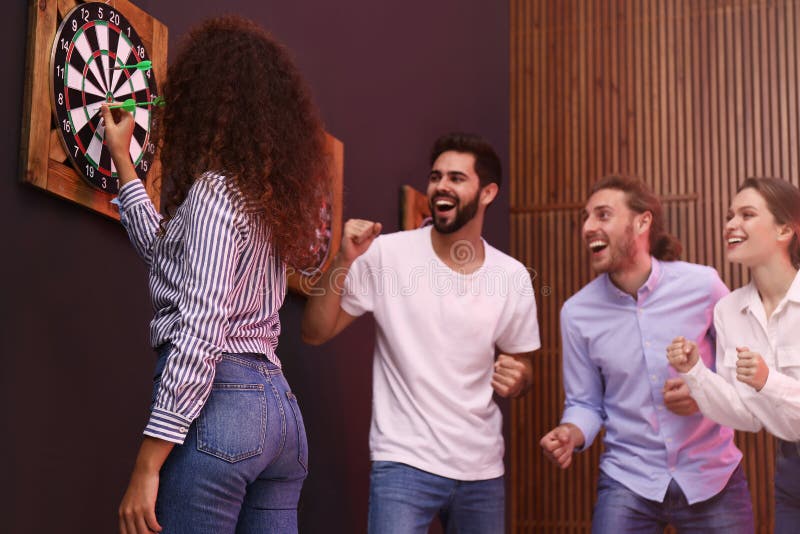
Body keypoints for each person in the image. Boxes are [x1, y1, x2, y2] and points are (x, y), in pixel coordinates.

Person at [100, 15, 328, 534]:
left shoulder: (213, 193)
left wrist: (147, 463)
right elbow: (169, 260)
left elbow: (202, 328)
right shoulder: (267, 204)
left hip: (224, 407)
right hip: (280, 415)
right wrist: (125, 164)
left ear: (203, 103)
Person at [301, 132, 540, 533]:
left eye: (457, 178)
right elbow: (314, 331)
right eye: (436, 176)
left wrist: (520, 379)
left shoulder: (511, 276)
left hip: (481, 469)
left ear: (487, 193)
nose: (442, 185)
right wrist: (343, 258)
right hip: (403, 463)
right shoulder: (388, 255)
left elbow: (524, 366)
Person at [540, 175, 754, 532]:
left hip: (713, 475)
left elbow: (740, 364)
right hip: (629, 480)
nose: (588, 226)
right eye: (585, 217)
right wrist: (570, 433)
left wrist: (705, 391)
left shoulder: (704, 285)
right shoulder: (576, 313)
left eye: (603, 215)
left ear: (642, 221)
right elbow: (585, 403)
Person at [667, 177, 800, 533]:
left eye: (747, 214)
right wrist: (695, 372)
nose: (730, 224)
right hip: (791, 471)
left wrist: (767, 380)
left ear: (785, 229)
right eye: (729, 215)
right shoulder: (728, 310)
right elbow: (744, 415)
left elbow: (763, 386)